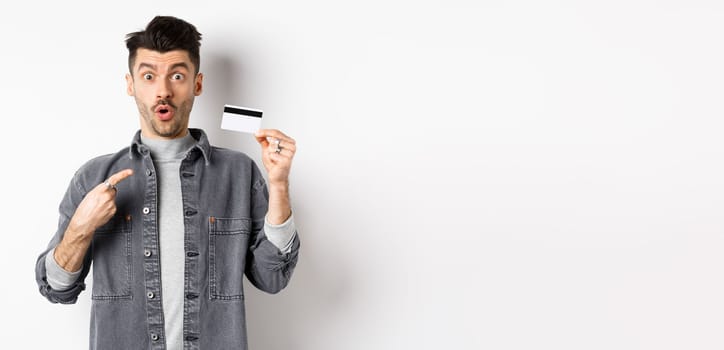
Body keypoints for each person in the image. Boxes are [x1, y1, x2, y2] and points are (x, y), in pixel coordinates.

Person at [34, 15, 300, 350]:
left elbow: (272, 277)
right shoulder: (94, 177)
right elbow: (57, 288)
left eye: (177, 75)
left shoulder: (239, 173)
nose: (163, 91)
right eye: (148, 76)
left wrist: (279, 186)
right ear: (131, 84)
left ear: (197, 84)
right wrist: (80, 228)